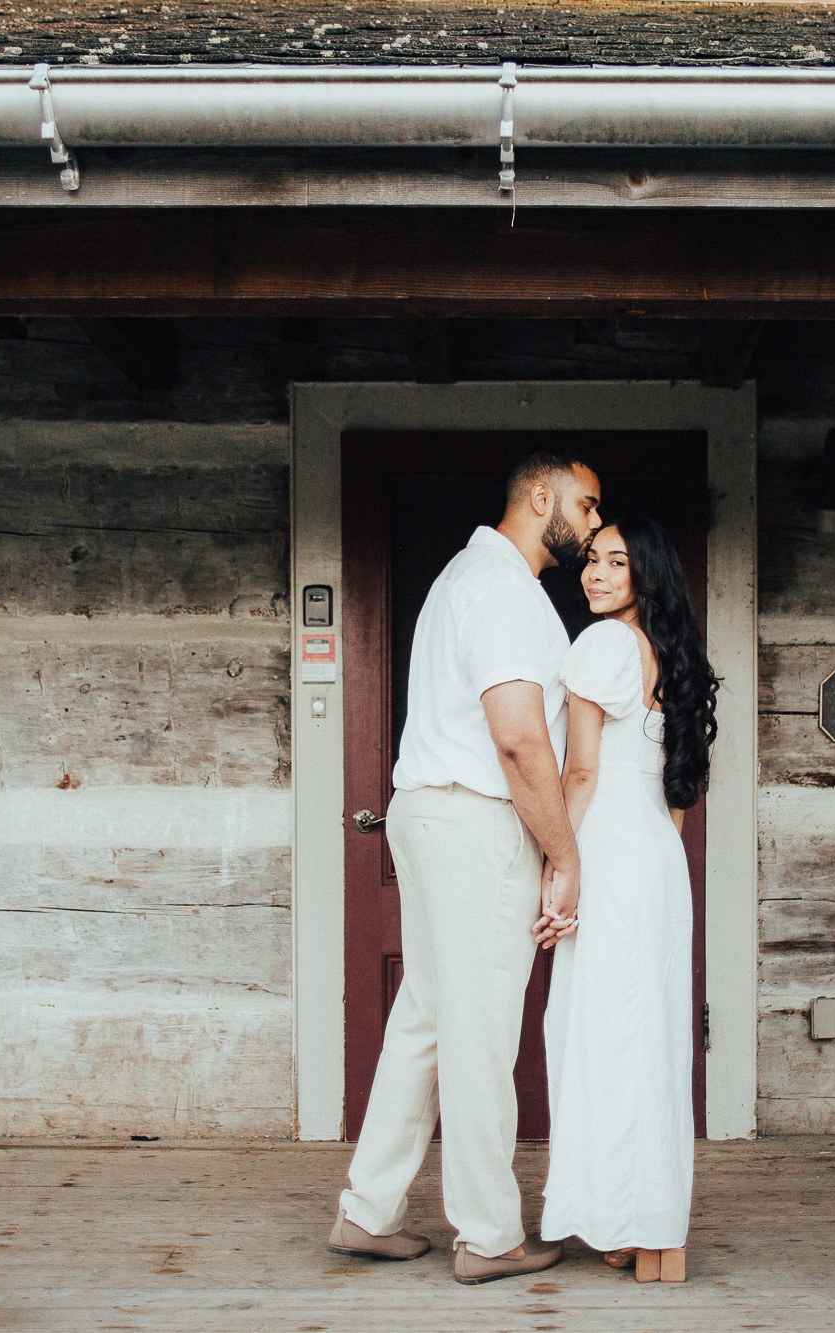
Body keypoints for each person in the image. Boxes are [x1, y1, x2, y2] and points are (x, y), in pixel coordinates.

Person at [326, 447, 602, 1286]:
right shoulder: (503, 587)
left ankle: (366, 1209)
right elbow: (518, 738)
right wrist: (565, 853)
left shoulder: (464, 577)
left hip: (432, 813)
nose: (592, 524)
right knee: (481, 1028)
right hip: (477, 821)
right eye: (587, 506)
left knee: (430, 1017)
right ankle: (488, 1234)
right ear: (542, 493)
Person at [538, 514, 718, 1285]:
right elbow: (678, 795)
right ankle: (651, 1228)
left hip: (606, 852)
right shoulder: (674, 657)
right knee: (651, 1043)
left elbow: (580, 774)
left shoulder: (602, 644)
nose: (597, 574)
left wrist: (559, 862)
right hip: (657, 859)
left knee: (599, 1038)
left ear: (646, 572)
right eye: (591, 560)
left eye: (617, 561)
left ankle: (623, 1217)